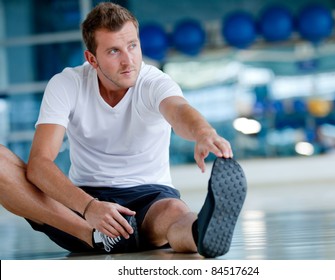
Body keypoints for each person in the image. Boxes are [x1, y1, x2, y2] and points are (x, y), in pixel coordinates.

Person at [0, 2, 247, 258]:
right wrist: (89, 207)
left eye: (133, 46)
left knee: (175, 214)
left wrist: (203, 132)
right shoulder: (67, 84)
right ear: (92, 59)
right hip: (82, 203)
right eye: (114, 51)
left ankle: (199, 232)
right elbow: (40, 164)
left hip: (150, 197)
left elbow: (178, 110)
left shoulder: (154, 81)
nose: (128, 61)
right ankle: (96, 237)